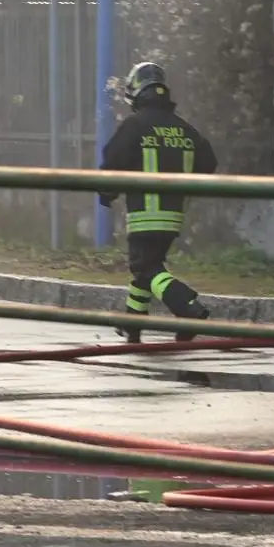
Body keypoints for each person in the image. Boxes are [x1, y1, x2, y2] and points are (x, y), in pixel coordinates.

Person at [99, 61, 218, 343]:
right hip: (174, 215)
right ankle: (132, 322)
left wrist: (106, 192)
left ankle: (187, 307)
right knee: (147, 267)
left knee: (145, 267)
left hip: (145, 214)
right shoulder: (184, 128)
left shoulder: (135, 125)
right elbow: (208, 162)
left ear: (136, 91)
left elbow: (113, 161)